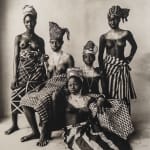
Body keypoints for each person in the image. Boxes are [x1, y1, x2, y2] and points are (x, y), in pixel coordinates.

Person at [20, 22, 74, 146]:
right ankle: (35, 132)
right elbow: (45, 77)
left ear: (62, 42)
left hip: (62, 86)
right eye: (52, 42)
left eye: (57, 42)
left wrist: (66, 90)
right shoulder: (47, 58)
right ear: (49, 42)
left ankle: (45, 130)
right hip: (48, 85)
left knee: (42, 100)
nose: (54, 45)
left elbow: (72, 78)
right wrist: (43, 64)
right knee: (25, 99)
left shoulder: (67, 57)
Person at [64, 67, 132, 150]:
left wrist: (100, 99)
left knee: (106, 141)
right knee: (85, 144)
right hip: (73, 130)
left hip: (88, 127)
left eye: (75, 84)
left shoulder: (87, 97)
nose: (72, 87)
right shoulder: (65, 99)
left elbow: (101, 97)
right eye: (70, 85)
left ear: (81, 84)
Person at [5, 5, 47, 135]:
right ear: (24, 22)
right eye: (27, 21)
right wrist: (14, 77)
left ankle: (40, 121)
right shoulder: (18, 38)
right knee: (15, 97)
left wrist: (44, 74)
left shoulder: (40, 40)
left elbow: (42, 59)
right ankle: (14, 124)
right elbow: (15, 58)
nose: (30, 23)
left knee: (36, 97)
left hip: (36, 74)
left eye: (32, 21)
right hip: (22, 72)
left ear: (35, 21)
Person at [98, 5, 137, 113]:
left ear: (119, 19)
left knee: (124, 95)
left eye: (114, 19)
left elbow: (134, 46)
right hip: (109, 68)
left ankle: (126, 122)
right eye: (110, 19)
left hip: (121, 68)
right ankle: (114, 125)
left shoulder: (126, 33)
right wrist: (102, 72)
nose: (112, 22)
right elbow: (100, 57)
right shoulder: (104, 37)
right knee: (110, 95)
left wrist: (129, 59)